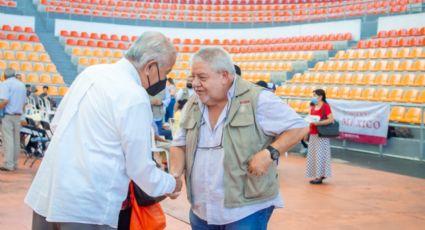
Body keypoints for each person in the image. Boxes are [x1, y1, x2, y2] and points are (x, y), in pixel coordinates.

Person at [25, 31, 182, 229]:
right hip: (87, 208)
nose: (164, 80)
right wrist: (171, 184)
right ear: (150, 66)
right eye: (165, 73)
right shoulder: (134, 96)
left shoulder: (91, 73)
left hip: (50, 193)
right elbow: (139, 168)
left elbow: (57, 125)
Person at [170, 47, 309, 229]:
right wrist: (175, 175)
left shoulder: (258, 99)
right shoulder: (193, 103)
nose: (194, 83)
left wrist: (269, 153)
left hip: (246, 211)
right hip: (201, 210)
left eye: (202, 78)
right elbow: (179, 144)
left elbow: (299, 127)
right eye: (193, 77)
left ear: (225, 76)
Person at [0, 68, 27, 171]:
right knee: (16, 140)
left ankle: (8, 163)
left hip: (8, 115)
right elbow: (24, 103)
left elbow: (5, 101)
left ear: (5, 76)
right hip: (18, 115)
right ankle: (15, 163)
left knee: (8, 140)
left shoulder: (5, 84)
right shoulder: (21, 85)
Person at [306, 89, 335, 184]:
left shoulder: (325, 106)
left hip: (321, 134)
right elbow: (310, 120)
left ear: (320, 96)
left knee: (321, 155)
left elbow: (331, 120)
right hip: (313, 134)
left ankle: (319, 176)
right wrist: (307, 133)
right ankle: (318, 175)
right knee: (314, 155)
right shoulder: (313, 107)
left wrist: (318, 123)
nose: (313, 97)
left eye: (315, 95)